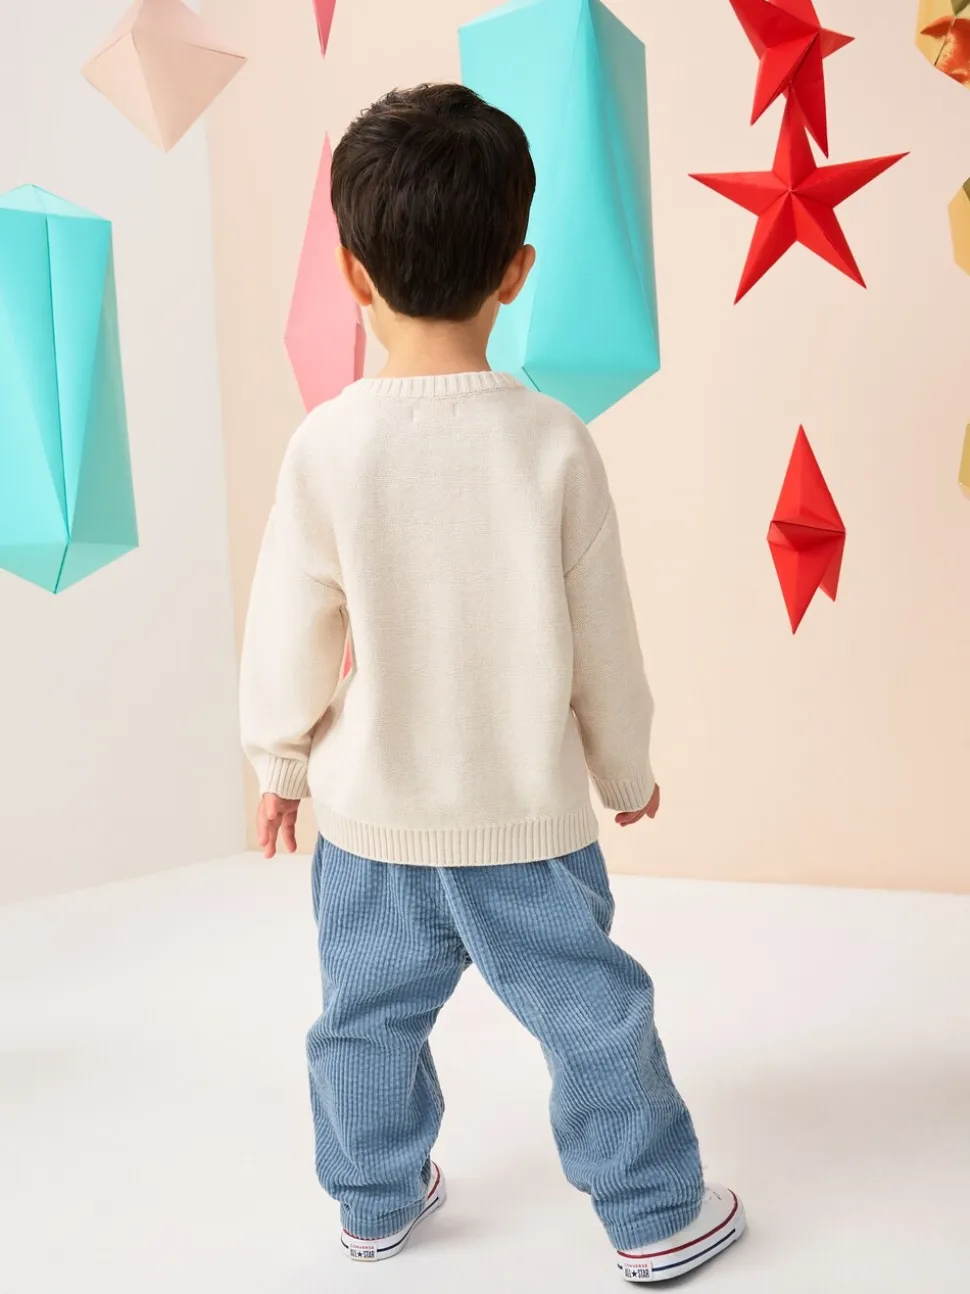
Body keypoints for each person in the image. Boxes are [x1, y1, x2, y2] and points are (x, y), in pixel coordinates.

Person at [239, 82, 744, 1284]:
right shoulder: (553, 441)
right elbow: (601, 636)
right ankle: (653, 1211)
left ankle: (372, 1197)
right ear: (515, 272)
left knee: (364, 1017)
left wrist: (277, 761)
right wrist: (624, 766)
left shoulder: (328, 444)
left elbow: (288, 625)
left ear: (352, 273)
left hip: (371, 826)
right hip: (523, 823)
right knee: (591, 1014)